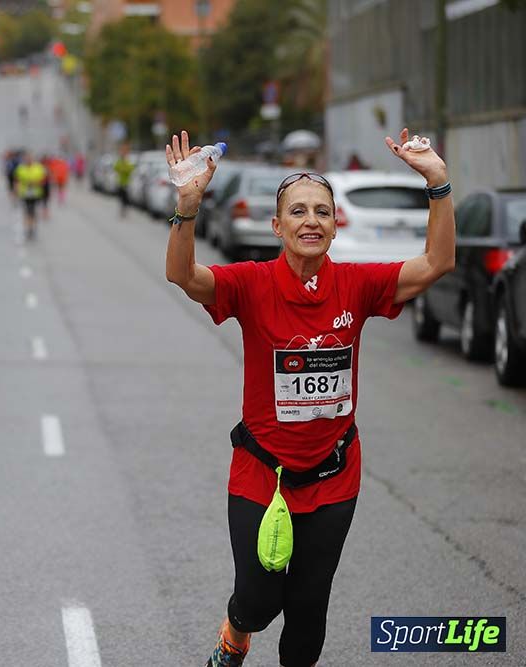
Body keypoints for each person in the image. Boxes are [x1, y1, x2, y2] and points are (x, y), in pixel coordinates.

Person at [163, 129, 454, 667]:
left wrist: (437, 182)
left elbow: (436, 262)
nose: (311, 221)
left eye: (322, 211)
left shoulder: (357, 285)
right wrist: (187, 207)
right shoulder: (251, 284)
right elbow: (182, 275)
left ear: (336, 225)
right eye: (298, 211)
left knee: (307, 615)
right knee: (258, 601)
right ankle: (236, 631)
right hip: (261, 472)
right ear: (278, 227)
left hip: (333, 476)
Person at [14, 152, 46, 241]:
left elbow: (44, 180)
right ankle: (29, 228)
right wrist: (16, 190)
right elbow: (16, 180)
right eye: (26, 159)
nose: (28, 160)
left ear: (33, 159)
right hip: (24, 193)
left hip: (36, 193)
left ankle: (32, 227)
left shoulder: (39, 168)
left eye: (30, 158)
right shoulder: (20, 168)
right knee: (27, 211)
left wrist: (35, 183)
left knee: (33, 211)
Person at [113, 144, 135, 218]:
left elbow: (130, 169)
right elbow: (115, 167)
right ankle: (122, 209)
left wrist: (124, 169)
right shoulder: (119, 161)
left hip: (126, 183)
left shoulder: (127, 161)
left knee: (126, 197)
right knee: (121, 197)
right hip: (120, 182)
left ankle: (125, 209)